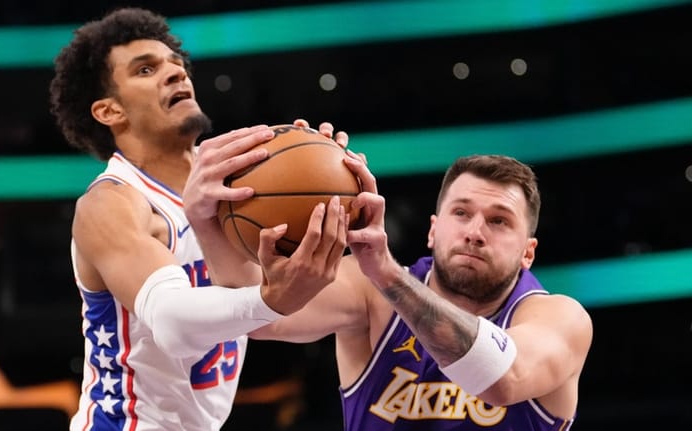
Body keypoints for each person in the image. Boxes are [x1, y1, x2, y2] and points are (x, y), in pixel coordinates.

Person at [49, 7, 349, 431]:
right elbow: (173, 321)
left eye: (176, 64)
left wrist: (332, 187)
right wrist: (270, 297)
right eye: (146, 69)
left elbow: (274, 318)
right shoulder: (111, 203)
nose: (176, 74)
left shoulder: (237, 193)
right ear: (109, 111)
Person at [250, 153, 594, 430]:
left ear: (528, 252)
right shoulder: (367, 291)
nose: (475, 232)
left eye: (498, 221)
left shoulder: (562, 319)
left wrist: (388, 275)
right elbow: (257, 317)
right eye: (461, 212)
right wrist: (209, 212)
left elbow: (503, 379)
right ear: (433, 230)